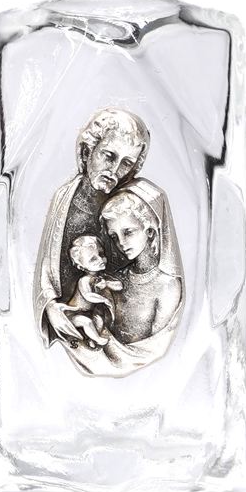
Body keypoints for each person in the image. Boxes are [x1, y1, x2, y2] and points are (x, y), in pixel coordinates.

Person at [34, 107, 185, 377]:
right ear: (87, 151)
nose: (115, 170)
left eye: (126, 163)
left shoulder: (131, 203)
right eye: (109, 156)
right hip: (70, 335)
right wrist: (51, 308)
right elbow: (46, 270)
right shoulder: (63, 199)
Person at [101, 191, 182, 345]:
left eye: (128, 232)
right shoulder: (116, 278)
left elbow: (157, 344)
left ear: (150, 232)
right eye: (114, 237)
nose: (121, 243)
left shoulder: (168, 285)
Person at [65, 235, 122, 349]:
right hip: (73, 314)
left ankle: (92, 340)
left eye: (101, 254)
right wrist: (103, 300)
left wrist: (107, 284)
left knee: (99, 321)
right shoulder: (84, 280)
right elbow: (88, 296)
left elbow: (119, 286)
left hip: (89, 312)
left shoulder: (102, 277)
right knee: (86, 322)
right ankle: (98, 339)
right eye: (93, 259)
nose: (101, 260)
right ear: (81, 266)